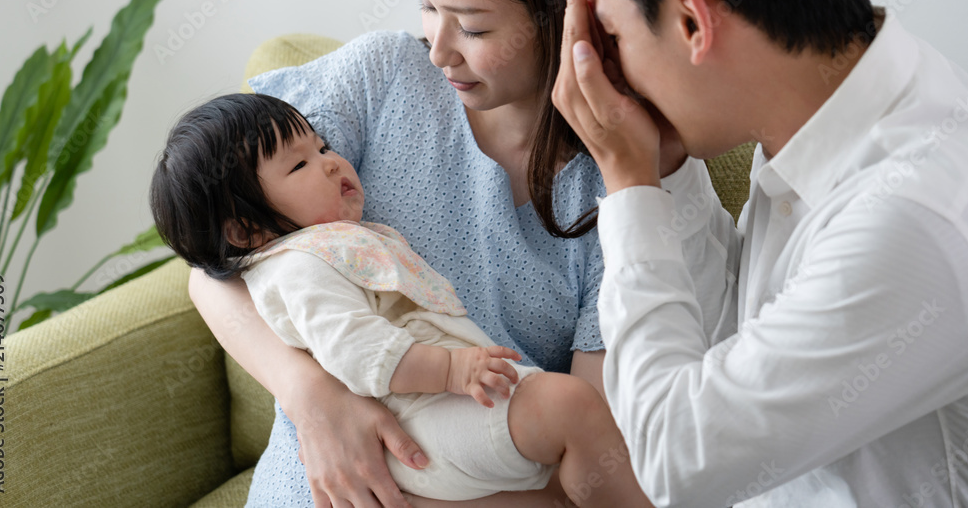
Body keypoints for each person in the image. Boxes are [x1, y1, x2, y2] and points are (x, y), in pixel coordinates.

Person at [186, 0, 733, 506]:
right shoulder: (377, 79)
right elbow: (214, 269)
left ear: (565, 14)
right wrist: (312, 396)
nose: (439, 50)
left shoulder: (623, 178)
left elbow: (591, 460)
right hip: (314, 479)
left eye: (472, 27)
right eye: (427, 7)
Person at [551, 0, 968, 506]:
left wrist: (628, 182)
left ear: (691, 21)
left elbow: (676, 462)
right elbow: (732, 350)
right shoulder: (821, 106)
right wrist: (665, 173)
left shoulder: (910, 215)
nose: (614, 73)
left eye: (615, 37)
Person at [150, 93, 650, 505]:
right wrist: (452, 370)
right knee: (570, 407)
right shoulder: (299, 266)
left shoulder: (333, 242)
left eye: (322, 146)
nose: (330, 162)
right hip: (417, 420)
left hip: (437, 418)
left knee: (563, 457)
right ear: (245, 232)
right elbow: (358, 351)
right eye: (300, 164)